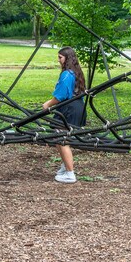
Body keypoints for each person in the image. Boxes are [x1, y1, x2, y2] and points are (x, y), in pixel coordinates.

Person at [42, 46, 86, 184]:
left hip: (68, 108)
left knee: (62, 139)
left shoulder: (67, 74)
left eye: (60, 57)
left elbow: (61, 95)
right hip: (77, 106)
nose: (59, 61)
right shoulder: (76, 72)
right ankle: (65, 166)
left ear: (67, 58)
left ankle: (70, 173)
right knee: (59, 138)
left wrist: (48, 104)